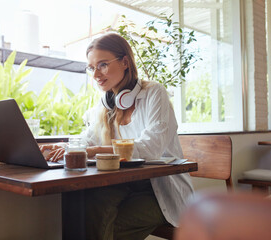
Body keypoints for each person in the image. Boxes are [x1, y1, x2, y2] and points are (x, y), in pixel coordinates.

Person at [41, 33, 194, 240]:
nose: (96, 74)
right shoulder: (107, 103)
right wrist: (62, 147)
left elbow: (150, 148)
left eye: (102, 65)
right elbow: (88, 139)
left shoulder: (154, 93)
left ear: (125, 62)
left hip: (160, 190)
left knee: (104, 229)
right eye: (91, 67)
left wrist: (93, 151)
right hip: (125, 183)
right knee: (84, 202)